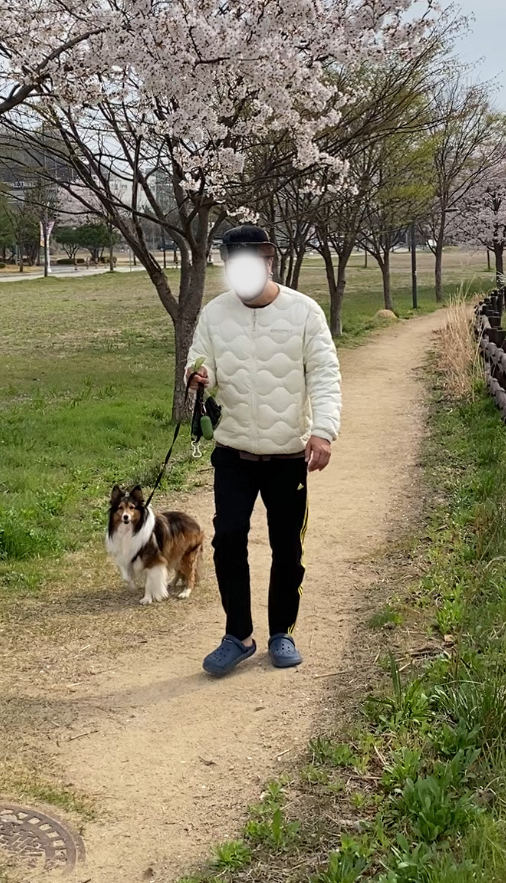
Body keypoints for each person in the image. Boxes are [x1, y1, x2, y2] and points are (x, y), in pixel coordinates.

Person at [186, 224, 341, 677]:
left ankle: (281, 632)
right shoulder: (215, 313)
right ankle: (238, 635)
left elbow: (325, 376)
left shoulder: (305, 312)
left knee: (286, 546)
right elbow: (202, 362)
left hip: (288, 454)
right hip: (233, 452)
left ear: (269, 262)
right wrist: (198, 376)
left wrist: (324, 432)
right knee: (228, 540)